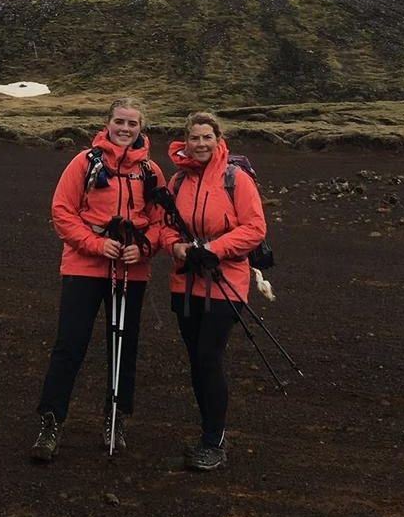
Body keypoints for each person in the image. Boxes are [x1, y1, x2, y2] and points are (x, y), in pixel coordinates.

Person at [30, 97, 164, 463]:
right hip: (84, 267)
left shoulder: (150, 171)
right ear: (107, 123)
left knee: (123, 348)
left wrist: (147, 247)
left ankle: (115, 419)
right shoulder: (84, 163)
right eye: (119, 121)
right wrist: (94, 244)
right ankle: (51, 421)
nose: (125, 128)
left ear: (142, 128)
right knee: (69, 344)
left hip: (131, 270)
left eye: (132, 123)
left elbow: (159, 220)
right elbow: (62, 211)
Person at [161, 111, 267, 472]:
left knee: (208, 357)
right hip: (185, 283)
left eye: (208, 137)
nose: (201, 144)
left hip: (227, 284)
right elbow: (166, 228)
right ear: (185, 141)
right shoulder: (177, 182)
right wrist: (177, 248)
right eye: (195, 138)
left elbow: (255, 228)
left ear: (218, 140)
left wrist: (214, 250)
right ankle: (210, 434)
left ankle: (213, 442)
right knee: (197, 361)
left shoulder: (236, 180)